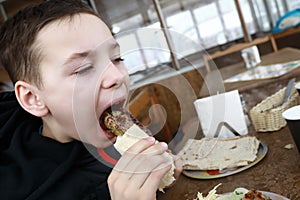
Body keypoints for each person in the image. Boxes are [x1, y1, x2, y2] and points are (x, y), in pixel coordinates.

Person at [0, 0, 181, 199]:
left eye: (117, 58)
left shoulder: (98, 122)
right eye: (83, 69)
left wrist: (161, 175)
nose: (116, 76)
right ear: (33, 98)